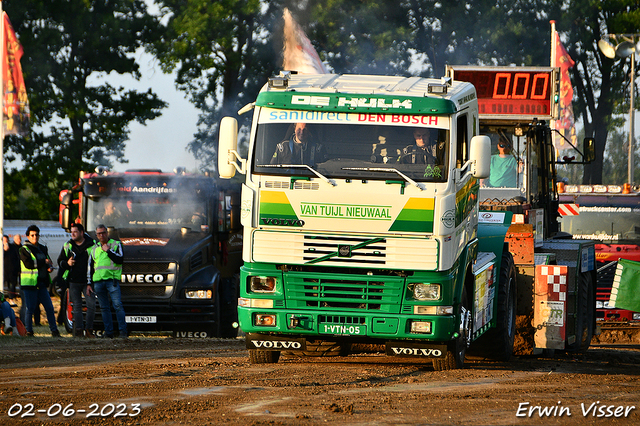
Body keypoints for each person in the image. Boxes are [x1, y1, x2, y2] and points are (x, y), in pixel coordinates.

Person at [19, 225, 61, 337]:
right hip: (29, 284)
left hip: (41, 283)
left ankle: (54, 331)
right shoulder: (24, 249)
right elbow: (29, 264)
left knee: (49, 307)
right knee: (30, 308)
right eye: (32, 235)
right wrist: (44, 262)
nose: (35, 237)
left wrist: (49, 267)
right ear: (28, 236)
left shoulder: (42, 248)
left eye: (37, 235)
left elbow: (48, 261)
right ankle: (29, 331)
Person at [58, 223, 96, 337]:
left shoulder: (92, 245)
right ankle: (78, 331)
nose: (72, 234)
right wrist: (67, 263)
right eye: (71, 232)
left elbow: (96, 264)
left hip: (88, 282)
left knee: (91, 305)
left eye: (75, 231)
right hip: (73, 281)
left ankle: (89, 330)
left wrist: (91, 282)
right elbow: (60, 261)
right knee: (77, 307)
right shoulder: (68, 246)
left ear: (81, 233)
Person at [89, 224, 127, 338]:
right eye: (99, 233)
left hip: (112, 280)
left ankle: (123, 332)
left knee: (117, 306)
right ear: (96, 235)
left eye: (103, 233)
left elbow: (120, 260)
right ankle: (109, 332)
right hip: (98, 282)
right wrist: (89, 283)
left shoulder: (116, 244)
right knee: (104, 308)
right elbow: (90, 267)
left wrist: (108, 251)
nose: (102, 235)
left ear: (107, 233)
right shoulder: (94, 248)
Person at [3, 235, 20, 300]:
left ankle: (11, 298)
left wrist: (17, 268)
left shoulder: (12, 247)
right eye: (4, 240)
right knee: (2, 284)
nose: (5, 242)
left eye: (6, 240)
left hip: (12, 270)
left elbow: (17, 257)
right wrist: (4, 251)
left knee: (12, 285)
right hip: (3, 270)